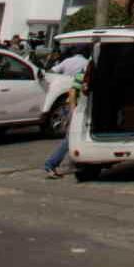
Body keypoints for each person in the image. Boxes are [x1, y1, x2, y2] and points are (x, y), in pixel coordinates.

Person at [43, 42, 90, 177]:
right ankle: (51, 164)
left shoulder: (67, 61)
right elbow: (74, 90)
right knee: (70, 137)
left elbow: (52, 71)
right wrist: (74, 110)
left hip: (70, 103)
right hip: (77, 106)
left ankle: (75, 164)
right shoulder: (86, 66)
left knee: (73, 136)